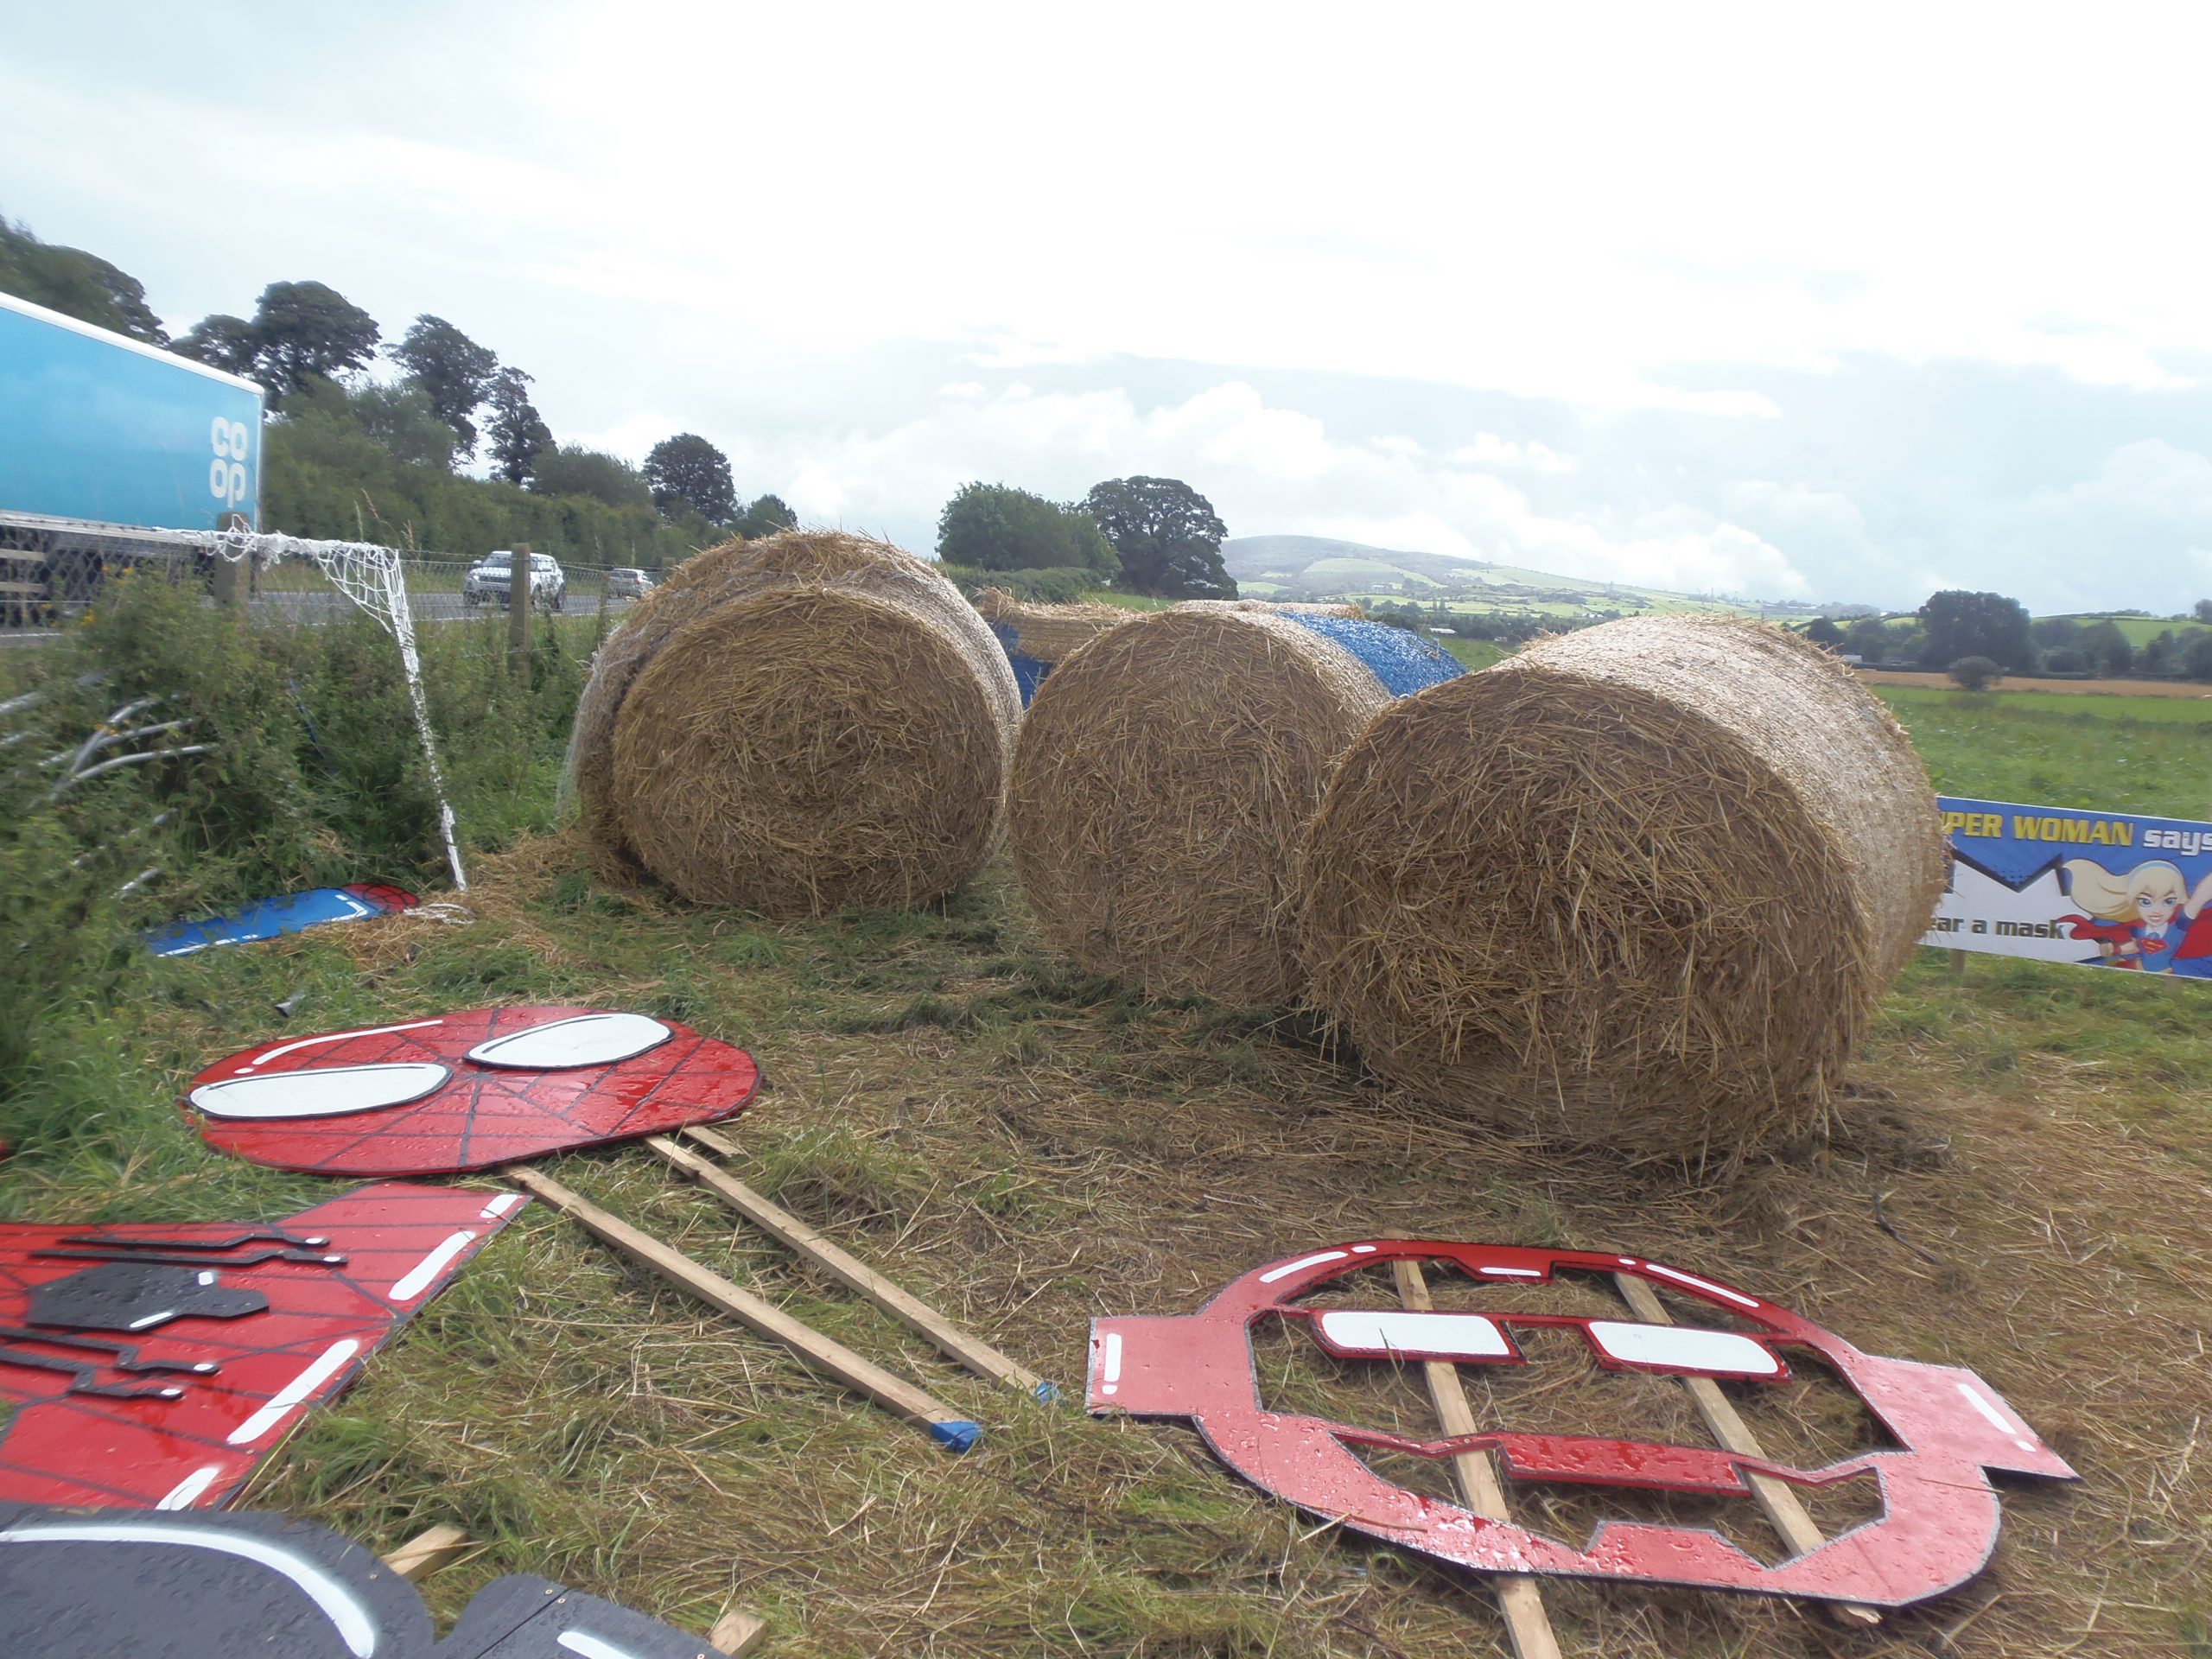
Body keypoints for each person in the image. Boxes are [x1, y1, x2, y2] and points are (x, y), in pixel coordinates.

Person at [2059, 858, 2212, 975]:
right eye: (2146, 902)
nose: (2156, 911)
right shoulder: (2139, 929)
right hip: (2137, 970)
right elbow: (2136, 946)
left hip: (2165, 974)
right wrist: (2116, 950)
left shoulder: (2179, 925)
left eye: (2168, 901)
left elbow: (2200, 898)